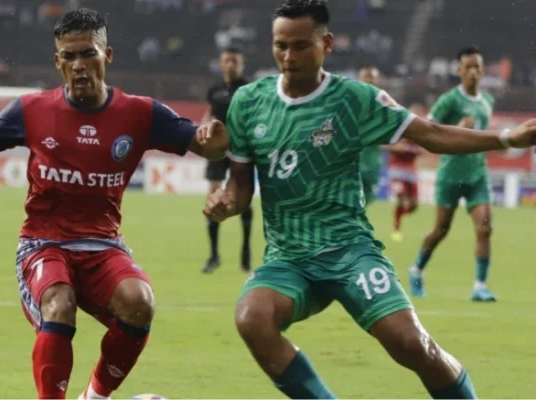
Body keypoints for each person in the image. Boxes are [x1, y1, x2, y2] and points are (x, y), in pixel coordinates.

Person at [203, 1, 536, 399]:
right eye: (281, 46)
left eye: (301, 46)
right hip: (288, 258)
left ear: (326, 44)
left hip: (350, 251)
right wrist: (226, 202)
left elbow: (430, 134)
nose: (288, 57)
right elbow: (240, 187)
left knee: (412, 344)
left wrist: (506, 139)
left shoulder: (355, 99)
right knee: (252, 318)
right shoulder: (248, 102)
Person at [0, 8, 228, 400]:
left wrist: (215, 139)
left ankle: (94, 397)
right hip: (43, 244)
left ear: (107, 55)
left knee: (139, 303)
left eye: (88, 53)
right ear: (58, 61)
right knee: (59, 304)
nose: (78, 65)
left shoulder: (140, 114)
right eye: (69, 56)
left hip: (102, 245)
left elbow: (208, 146)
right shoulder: (31, 110)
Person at [408, 46, 498, 301]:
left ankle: (480, 287)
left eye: (477, 66)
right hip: (450, 175)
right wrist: (457, 128)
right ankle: (416, 269)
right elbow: (428, 130)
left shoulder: (488, 101)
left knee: (485, 228)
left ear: (483, 70)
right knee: (441, 229)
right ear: (459, 70)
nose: (473, 71)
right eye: (468, 66)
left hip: (477, 175)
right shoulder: (449, 100)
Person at [201, 47, 253, 273]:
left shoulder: (248, 89)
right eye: (226, 60)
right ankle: (214, 255)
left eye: (234, 61)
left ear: (241, 64)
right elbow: (209, 114)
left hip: (240, 148)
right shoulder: (215, 89)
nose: (230, 65)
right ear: (221, 63)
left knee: (243, 197)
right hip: (217, 150)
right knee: (213, 196)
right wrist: (201, 132)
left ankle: (245, 251)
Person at [383, 103, 425, 242]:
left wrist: (417, 151)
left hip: (410, 171)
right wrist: (396, 148)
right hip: (396, 170)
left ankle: (398, 215)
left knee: (414, 206)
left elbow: (422, 150)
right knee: (400, 200)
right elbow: (383, 144)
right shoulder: (399, 129)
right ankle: (396, 229)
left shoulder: (420, 133)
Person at [358, 66, 382, 205]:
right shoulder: (352, 102)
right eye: (366, 79)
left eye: (372, 79)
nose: (369, 82)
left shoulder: (383, 104)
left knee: (367, 200)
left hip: (372, 162)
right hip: (353, 162)